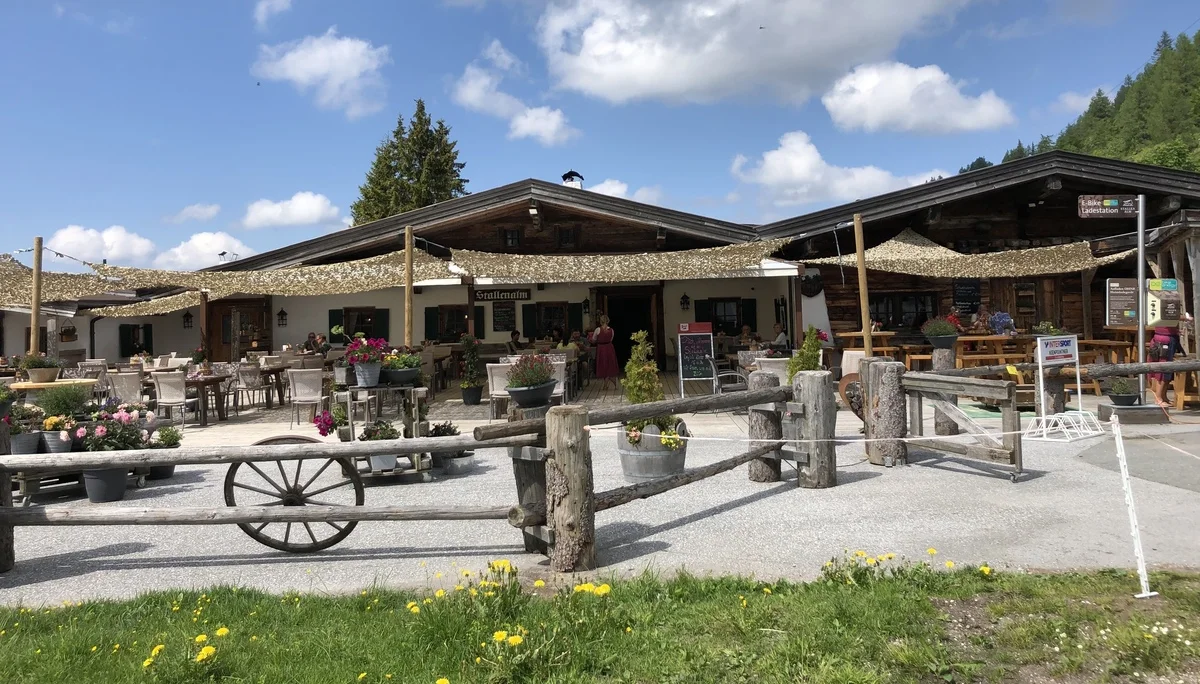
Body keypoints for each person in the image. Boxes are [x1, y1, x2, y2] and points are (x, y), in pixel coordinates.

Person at [594, 314, 619, 390]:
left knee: (603, 365)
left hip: (601, 348)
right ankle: (608, 383)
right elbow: (611, 339)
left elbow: (594, 339)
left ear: (600, 321)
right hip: (609, 348)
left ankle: (607, 384)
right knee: (609, 364)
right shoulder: (611, 330)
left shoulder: (598, 330)